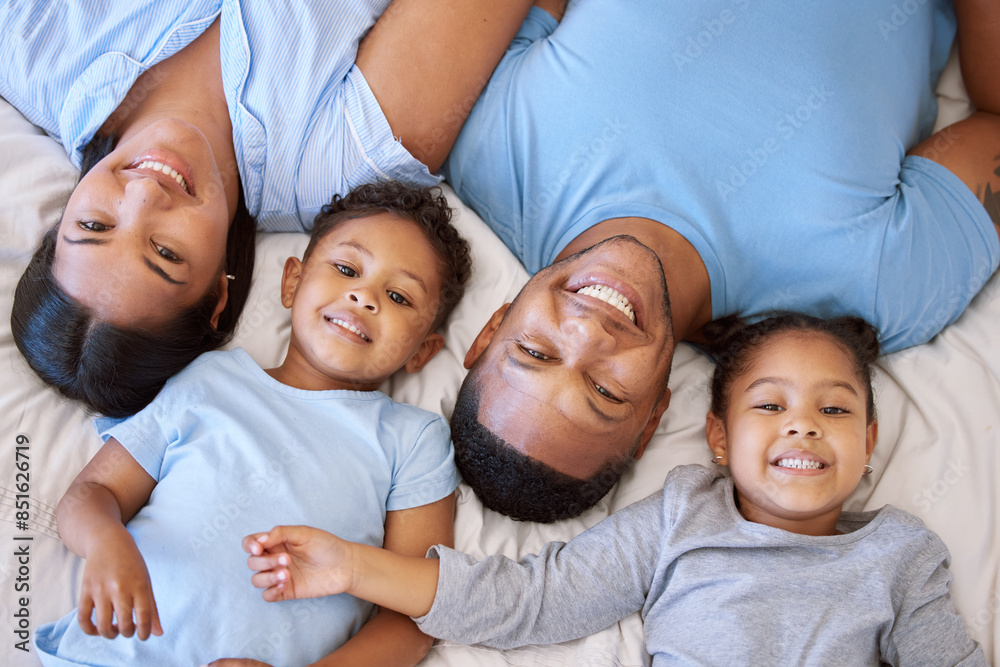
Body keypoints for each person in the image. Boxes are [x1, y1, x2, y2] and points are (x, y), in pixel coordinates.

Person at [443, 0, 1000, 521]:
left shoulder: (486, 149)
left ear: (491, 330)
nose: (589, 334)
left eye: (537, 351)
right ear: (653, 417)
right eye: (606, 392)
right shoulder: (870, 289)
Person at [239, 314, 988, 665]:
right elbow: (535, 598)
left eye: (834, 409)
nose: (803, 427)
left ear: (871, 441)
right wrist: (351, 565)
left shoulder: (898, 553)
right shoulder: (682, 517)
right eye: (770, 406)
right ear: (719, 438)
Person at [2, 0, 538, 418]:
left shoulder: (28, 50)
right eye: (165, 251)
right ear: (219, 294)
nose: (144, 196)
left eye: (95, 224)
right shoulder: (345, 161)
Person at [34, 181, 473, 666]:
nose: (364, 297)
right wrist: (105, 543)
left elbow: (414, 615)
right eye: (347, 269)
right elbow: (92, 492)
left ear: (425, 351)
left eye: (398, 296)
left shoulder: (413, 440)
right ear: (292, 283)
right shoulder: (208, 378)